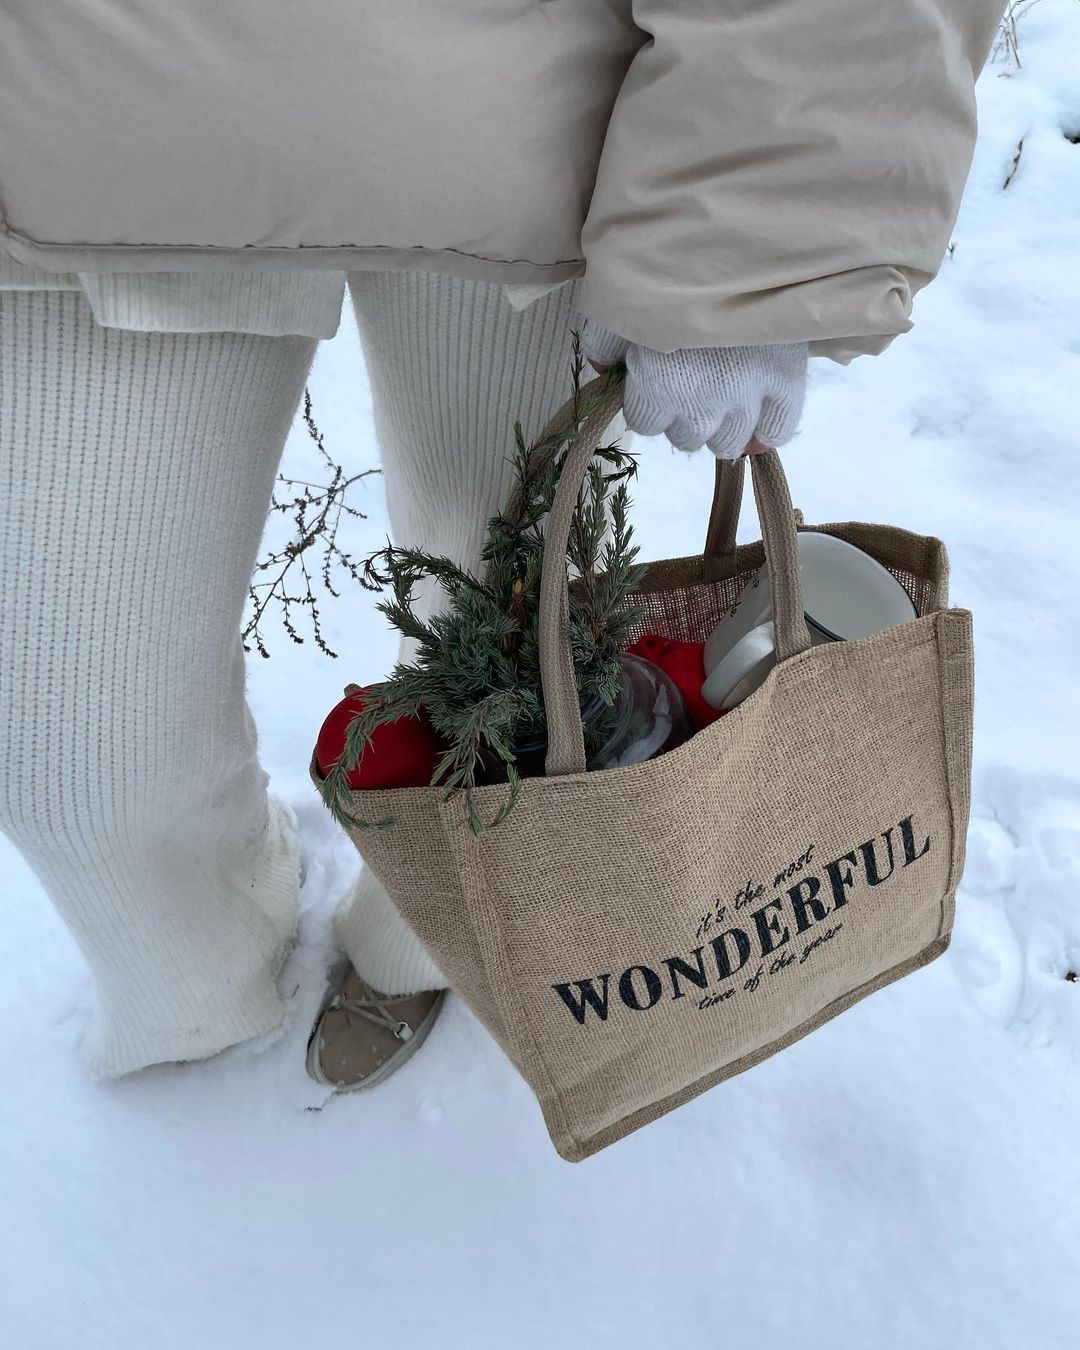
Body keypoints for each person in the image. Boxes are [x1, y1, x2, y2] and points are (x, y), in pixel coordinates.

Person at [0, 2, 1006, 1086]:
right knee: (73, 755)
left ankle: (425, 940)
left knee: (511, 670)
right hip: (98, 125)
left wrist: (762, 231)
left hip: (527, 111)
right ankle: (201, 986)